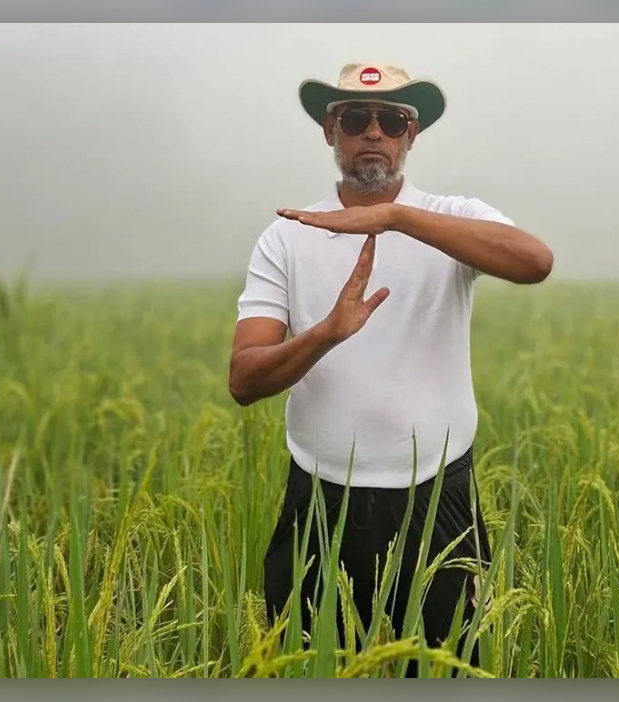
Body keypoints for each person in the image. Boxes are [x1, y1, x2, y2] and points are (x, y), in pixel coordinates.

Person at [228, 62, 554, 675]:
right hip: (321, 498)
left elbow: (534, 261)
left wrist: (394, 217)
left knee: (450, 670)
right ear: (332, 133)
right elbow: (244, 379)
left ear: (412, 135)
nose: (372, 132)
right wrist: (325, 333)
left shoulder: (452, 216)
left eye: (391, 120)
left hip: (438, 496)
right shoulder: (287, 237)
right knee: (305, 670)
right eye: (355, 118)